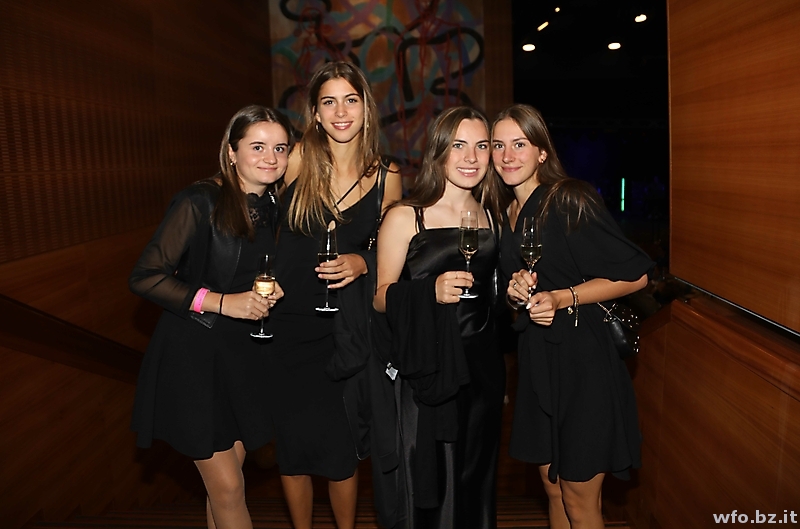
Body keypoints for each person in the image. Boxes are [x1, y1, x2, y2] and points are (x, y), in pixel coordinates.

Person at [129, 105, 291, 529]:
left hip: (240, 356)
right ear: (232, 152)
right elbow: (145, 277)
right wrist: (222, 301)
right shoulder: (199, 200)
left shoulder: (271, 203)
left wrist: (271, 285)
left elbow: (251, 266)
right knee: (230, 489)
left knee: (225, 486)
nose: (271, 157)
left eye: (280, 148)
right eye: (258, 147)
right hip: (194, 354)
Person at [493, 104, 653, 529]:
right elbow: (524, 293)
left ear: (542, 152)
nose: (507, 155)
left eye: (519, 144)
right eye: (498, 145)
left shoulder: (567, 198)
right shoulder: (507, 212)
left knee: (580, 499)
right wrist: (515, 294)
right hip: (539, 362)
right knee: (553, 489)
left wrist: (562, 297)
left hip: (584, 363)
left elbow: (636, 275)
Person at [266, 60, 402, 529]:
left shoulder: (387, 175)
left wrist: (363, 260)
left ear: (366, 107)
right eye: (329, 102)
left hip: (345, 328)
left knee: (341, 444)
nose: (341, 112)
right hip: (288, 323)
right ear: (316, 112)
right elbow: (255, 211)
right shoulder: (295, 159)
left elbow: (393, 248)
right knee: (293, 447)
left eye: (350, 100)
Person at [373, 106, 506, 529]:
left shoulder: (494, 215)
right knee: (433, 478)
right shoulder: (406, 216)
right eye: (458, 145)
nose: (470, 157)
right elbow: (380, 297)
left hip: (484, 371)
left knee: (475, 477)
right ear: (439, 151)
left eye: (481, 146)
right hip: (430, 369)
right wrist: (428, 292)